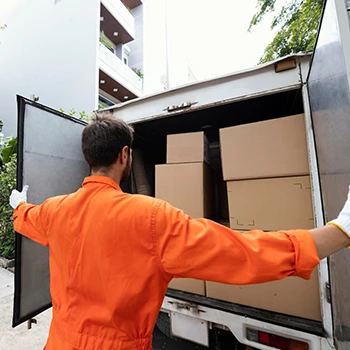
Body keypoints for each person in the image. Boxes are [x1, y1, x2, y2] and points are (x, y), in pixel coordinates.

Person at [10, 115, 350, 350]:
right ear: (124, 155)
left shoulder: (55, 209)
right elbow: (240, 252)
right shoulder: (151, 218)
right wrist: (337, 233)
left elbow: (28, 218)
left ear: (88, 157)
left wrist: (18, 206)